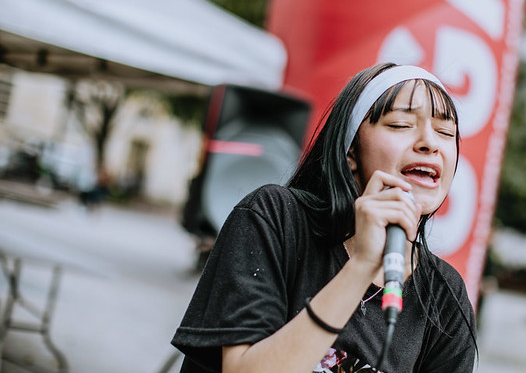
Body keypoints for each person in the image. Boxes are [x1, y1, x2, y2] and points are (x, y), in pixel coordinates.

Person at [171, 63, 477, 373]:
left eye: (445, 132)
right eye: (400, 124)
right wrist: (361, 267)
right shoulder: (275, 218)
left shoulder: (444, 295)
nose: (430, 143)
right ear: (351, 151)